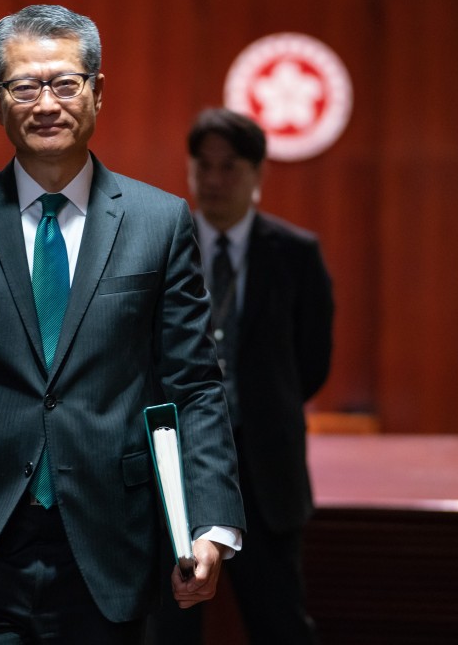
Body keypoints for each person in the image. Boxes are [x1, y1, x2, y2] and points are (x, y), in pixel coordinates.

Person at [0, 4, 245, 644]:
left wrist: (210, 521)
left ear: (97, 91)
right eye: (24, 86)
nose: (47, 103)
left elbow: (195, 386)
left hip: (108, 542)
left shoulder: (160, 222)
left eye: (65, 83)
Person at [150, 107, 334, 644]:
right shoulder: (161, 245)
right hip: (176, 466)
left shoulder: (296, 253)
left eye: (228, 167)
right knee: (169, 628)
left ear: (258, 173)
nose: (212, 181)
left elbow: (312, 361)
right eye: (201, 167)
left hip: (267, 471)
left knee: (279, 622)